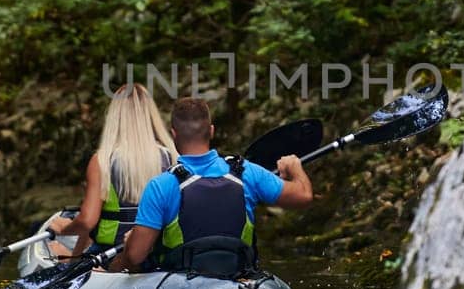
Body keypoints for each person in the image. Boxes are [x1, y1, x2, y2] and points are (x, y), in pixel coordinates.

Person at [107, 97, 312, 275]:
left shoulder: (161, 185)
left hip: (178, 284)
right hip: (238, 276)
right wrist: (295, 168)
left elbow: (134, 257)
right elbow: (303, 196)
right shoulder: (249, 173)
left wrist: (117, 261)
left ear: (174, 134)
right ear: (211, 131)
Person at [46, 83, 177, 262]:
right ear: (150, 116)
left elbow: (87, 221)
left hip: (111, 255)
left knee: (58, 248)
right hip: (159, 255)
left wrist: (64, 228)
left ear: (115, 117)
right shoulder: (172, 157)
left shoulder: (102, 160)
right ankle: (74, 256)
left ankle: (72, 257)